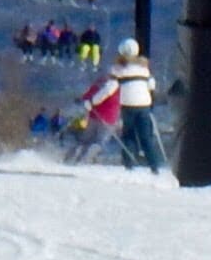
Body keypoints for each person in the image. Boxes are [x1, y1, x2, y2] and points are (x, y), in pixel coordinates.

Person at [112, 38, 164, 174]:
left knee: (128, 135)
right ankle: (154, 166)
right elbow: (152, 84)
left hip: (127, 106)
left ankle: (128, 164)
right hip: (144, 106)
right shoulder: (144, 68)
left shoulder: (118, 69)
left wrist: (94, 101)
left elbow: (110, 87)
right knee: (146, 137)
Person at [66, 68, 121, 164]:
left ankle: (73, 157)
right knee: (100, 142)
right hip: (109, 118)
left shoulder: (99, 84)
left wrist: (82, 100)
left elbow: (87, 97)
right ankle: (84, 159)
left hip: (95, 116)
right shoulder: (119, 86)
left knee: (86, 140)